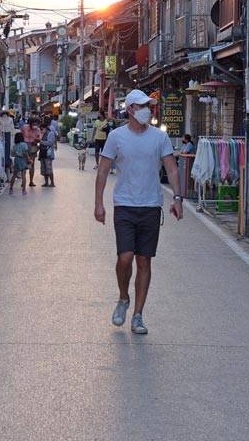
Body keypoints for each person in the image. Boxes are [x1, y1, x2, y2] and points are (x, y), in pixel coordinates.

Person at [94, 89, 183, 335]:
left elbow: (172, 169)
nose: (148, 110)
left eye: (150, 106)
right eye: (143, 105)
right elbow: (102, 170)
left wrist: (177, 198)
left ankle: (138, 315)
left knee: (144, 261)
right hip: (124, 204)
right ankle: (123, 298)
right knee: (125, 258)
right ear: (131, 109)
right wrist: (98, 203)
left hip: (150, 206)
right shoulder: (116, 137)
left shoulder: (159, 137)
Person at [21, 118, 43, 187]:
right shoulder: (24, 127)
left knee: (31, 165)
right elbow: (20, 136)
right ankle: (23, 181)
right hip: (24, 147)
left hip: (33, 148)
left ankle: (31, 181)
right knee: (23, 164)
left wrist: (37, 140)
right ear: (30, 124)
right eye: (33, 124)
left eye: (36, 124)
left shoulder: (38, 130)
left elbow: (40, 138)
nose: (35, 126)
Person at [8, 132, 30, 196]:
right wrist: (28, 159)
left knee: (14, 175)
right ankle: (24, 190)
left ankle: (11, 189)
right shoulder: (24, 144)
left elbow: (12, 154)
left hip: (16, 160)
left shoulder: (14, 146)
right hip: (22, 160)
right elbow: (25, 153)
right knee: (23, 176)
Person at [39, 121, 57, 187]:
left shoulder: (51, 133)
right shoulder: (42, 134)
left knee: (49, 168)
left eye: (42, 129)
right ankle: (46, 182)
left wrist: (41, 142)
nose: (41, 130)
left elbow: (50, 142)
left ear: (45, 128)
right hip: (42, 153)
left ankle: (52, 182)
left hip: (48, 154)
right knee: (44, 169)